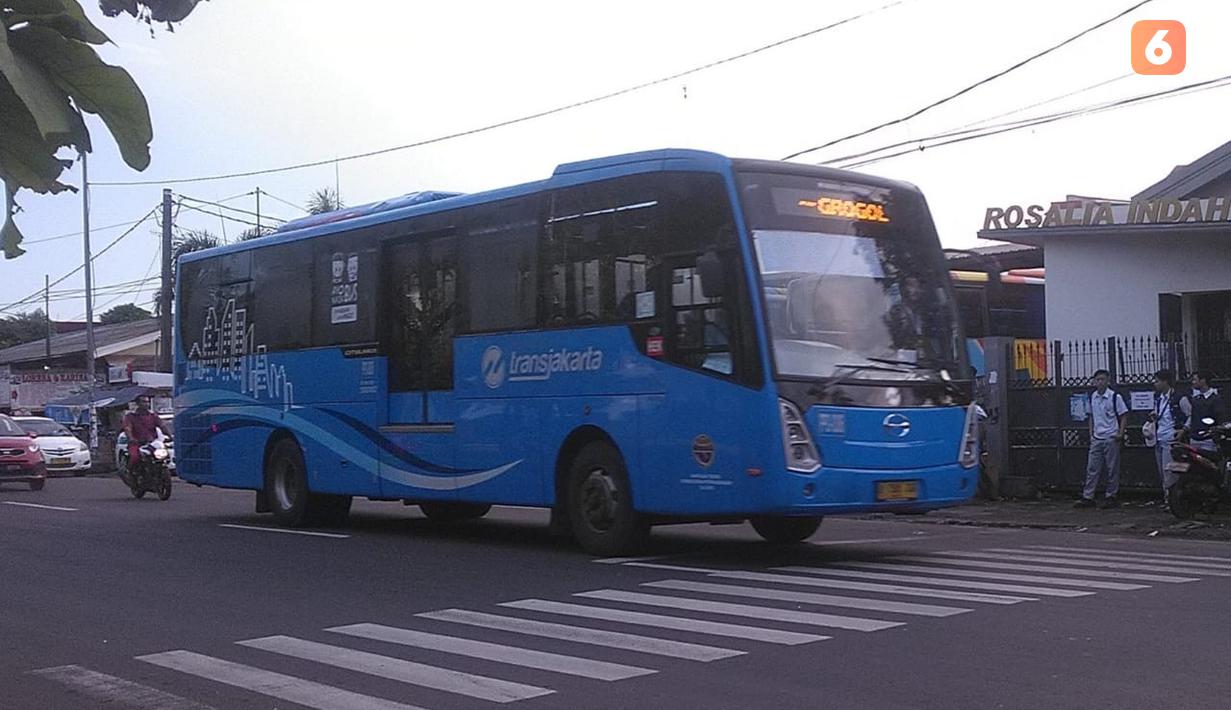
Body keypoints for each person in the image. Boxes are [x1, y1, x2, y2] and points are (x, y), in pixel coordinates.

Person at [1075, 369, 1128, 509]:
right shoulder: (1093, 397)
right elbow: (1091, 416)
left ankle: (1111, 496)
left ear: (1108, 381)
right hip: (1097, 438)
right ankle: (1088, 496)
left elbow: (1123, 416)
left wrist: (1120, 434)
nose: (1100, 382)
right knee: (1092, 468)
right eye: (1097, 379)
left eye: (1103, 379)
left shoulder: (1114, 397)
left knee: (1112, 468)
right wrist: (1092, 433)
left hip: (1111, 437)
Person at [1147, 369, 1190, 505]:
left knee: (1170, 472)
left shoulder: (1179, 398)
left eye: (1157, 381)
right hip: (1159, 438)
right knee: (1162, 471)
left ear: (1165, 382)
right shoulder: (1159, 399)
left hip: (1171, 439)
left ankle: (1173, 501)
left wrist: (1183, 430)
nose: (1155, 384)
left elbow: (1190, 415)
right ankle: (1168, 498)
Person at [1185, 370, 1226, 454]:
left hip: (1208, 440)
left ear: (1203, 380)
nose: (1193, 382)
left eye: (1195, 380)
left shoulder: (1215, 399)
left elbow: (1220, 418)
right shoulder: (1195, 399)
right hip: (1194, 438)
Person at [123, 396, 171, 468]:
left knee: (164, 455)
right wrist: (131, 438)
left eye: (147, 402)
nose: (146, 404)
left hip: (152, 443)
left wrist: (169, 436)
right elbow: (128, 428)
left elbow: (162, 426)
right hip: (137, 443)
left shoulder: (153, 416)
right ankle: (132, 473)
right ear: (138, 403)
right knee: (134, 457)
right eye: (144, 402)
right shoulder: (131, 416)